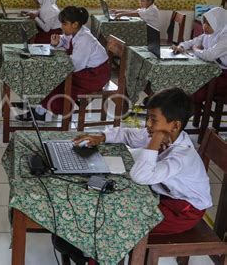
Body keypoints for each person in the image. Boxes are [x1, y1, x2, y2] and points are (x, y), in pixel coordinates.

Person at [55, 88, 212, 264]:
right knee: (111, 207)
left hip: (184, 212)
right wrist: (101, 137)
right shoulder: (163, 135)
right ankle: (85, 248)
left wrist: (155, 140)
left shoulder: (182, 156)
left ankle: (93, 257)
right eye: (149, 118)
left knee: (121, 225)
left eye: (154, 120)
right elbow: (127, 134)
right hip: (164, 197)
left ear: (175, 125)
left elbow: (140, 176)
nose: (148, 125)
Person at [16, 6, 110, 121]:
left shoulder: (84, 39)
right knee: (51, 77)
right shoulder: (77, 32)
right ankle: (37, 105)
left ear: (75, 24)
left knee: (55, 79)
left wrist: (57, 62)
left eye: (64, 24)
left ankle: (41, 111)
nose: (61, 27)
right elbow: (65, 40)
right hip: (87, 71)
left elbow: (75, 65)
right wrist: (58, 41)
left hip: (95, 76)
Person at [172, 7, 227, 113]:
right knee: (187, 80)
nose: (205, 26)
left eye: (209, 24)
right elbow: (195, 41)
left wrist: (196, 49)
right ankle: (176, 109)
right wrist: (181, 47)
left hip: (223, 76)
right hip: (213, 71)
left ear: (219, 23)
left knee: (195, 88)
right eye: (204, 22)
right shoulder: (211, 34)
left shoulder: (225, 36)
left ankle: (179, 112)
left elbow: (209, 55)